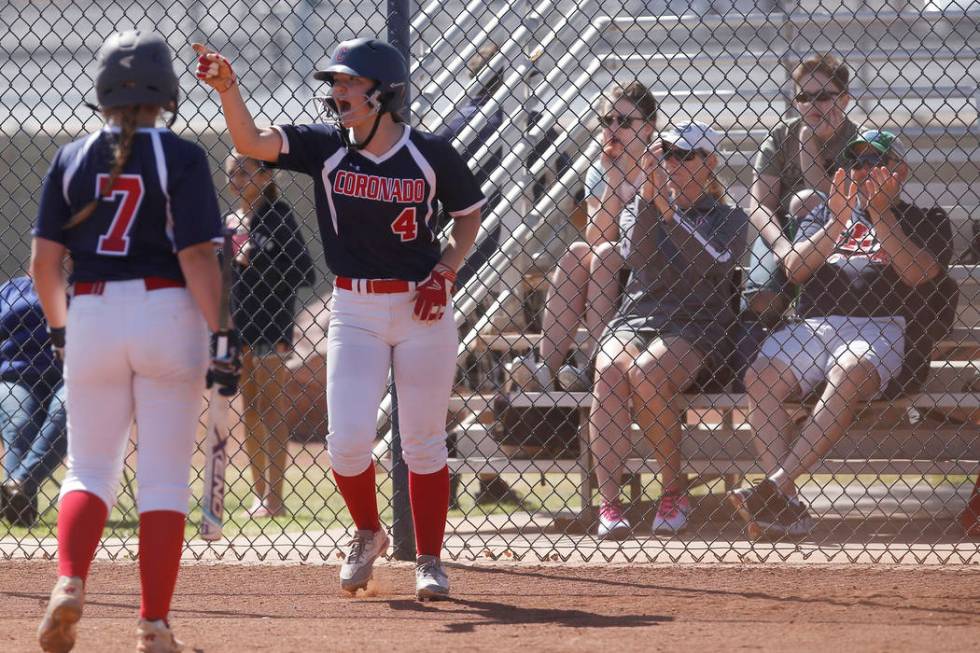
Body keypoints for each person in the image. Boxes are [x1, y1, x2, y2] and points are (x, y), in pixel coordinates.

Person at [194, 36, 484, 600]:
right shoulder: (324, 146)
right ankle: (368, 532)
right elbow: (248, 140)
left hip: (423, 305)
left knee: (422, 441)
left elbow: (468, 217)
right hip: (354, 307)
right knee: (347, 442)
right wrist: (230, 90)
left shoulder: (431, 153)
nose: (338, 91)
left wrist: (445, 272)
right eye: (336, 82)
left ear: (383, 93)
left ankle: (429, 560)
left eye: (350, 82)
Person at [31, 30, 237, 653]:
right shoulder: (183, 156)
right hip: (166, 313)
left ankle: (70, 580)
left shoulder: (69, 156)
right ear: (165, 93)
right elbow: (198, 256)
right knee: (165, 482)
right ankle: (152, 625)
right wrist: (223, 337)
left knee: (89, 469)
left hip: (91, 311)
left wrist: (61, 329)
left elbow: (44, 263)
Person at [732, 130, 954, 540]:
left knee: (851, 368)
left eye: (876, 162)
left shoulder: (926, 218)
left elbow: (918, 273)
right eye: (856, 163)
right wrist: (836, 221)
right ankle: (786, 501)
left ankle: (776, 485)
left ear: (899, 171)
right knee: (760, 375)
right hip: (816, 327)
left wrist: (882, 215)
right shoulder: (823, 216)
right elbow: (795, 270)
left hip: (884, 325)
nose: (865, 170)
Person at [590, 122, 748, 539]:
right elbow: (639, 256)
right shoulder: (644, 205)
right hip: (638, 317)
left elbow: (712, 264)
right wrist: (650, 200)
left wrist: (669, 213)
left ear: (710, 163)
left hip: (699, 323)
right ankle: (609, 504)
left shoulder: (730, 217)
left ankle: (672, 488)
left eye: (685, 155)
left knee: (648, 372)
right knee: (609, 373)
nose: (673, 164)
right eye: (667, 156)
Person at [507, 81, 659, 393]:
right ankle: (546, 369)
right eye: (607, 121)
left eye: (625, 122)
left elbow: (651, 233)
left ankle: (596, 365)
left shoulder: (661, 164)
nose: (614, 128)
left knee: (602, 255)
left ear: (648, 128)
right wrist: (614, 179)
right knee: (578, 251)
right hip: (614, 257)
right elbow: (597, 236)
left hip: (657, 257)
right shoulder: (600, 169)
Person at [225, 151, 315, 519]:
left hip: (271, 324)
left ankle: (274, 497)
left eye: (244, 173)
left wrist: (258, 255)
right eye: (232, 173)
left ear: (265, 177)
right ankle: (258, 492)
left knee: (271, 407)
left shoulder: (278, 218)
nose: (236, 180)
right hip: (239, 325)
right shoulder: (229, 222)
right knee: (249, 410)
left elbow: (304, 271)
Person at [741, 54, 861, 329]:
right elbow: (761, 205)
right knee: (762, 297)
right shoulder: (781, 136)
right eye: (804, 98)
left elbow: (839, 206)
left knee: (807, 201)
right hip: (784, 226)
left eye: (822, 96)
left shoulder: (859, 142)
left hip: (839, 229)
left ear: (844, 99)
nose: (812, 105)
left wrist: (808, 144)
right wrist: (782, 246)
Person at [0, 275, 66, 527]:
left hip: (71, 374)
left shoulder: (84, 284)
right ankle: (19, 511)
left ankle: (19, 485)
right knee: (19, 422)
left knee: (64, 411)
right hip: (16, 375)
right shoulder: (11, 289)